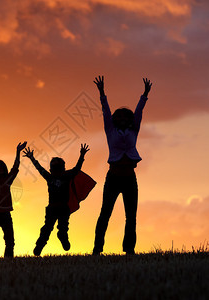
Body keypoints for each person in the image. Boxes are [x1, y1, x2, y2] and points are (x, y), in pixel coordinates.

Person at [92, 75, 152, 255]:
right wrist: (102, 93)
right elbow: (105, 111)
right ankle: (97, 249)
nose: (123, 118)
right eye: (120, 116)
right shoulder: (110, 129)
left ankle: (129, 249)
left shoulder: (134, 129)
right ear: (116, 119)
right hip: (113, 178)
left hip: (129, 179)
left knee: (131, 216)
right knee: (105, 213)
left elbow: (139, 112)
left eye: (127, 116)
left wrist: (144, 95)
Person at [23, 144, 90, 256]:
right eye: (54, 168)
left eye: (59, 168)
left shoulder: (67, 176)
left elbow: (77, 169)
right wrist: (32, 158)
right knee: (47, 228)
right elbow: (40, 169)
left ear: (63, 169)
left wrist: (82, 155)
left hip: (63, 208)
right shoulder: (50, 177)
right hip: (52, 208)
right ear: (51, 169)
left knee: (63, 227)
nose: (57, 170)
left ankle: (62, 237)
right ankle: (40, 245)